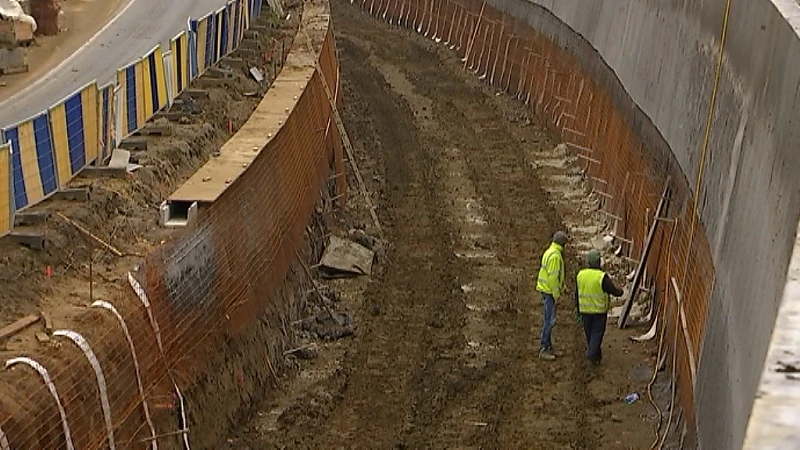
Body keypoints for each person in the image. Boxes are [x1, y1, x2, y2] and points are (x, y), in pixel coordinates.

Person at [575, 249, 624, 365]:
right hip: (598, 311)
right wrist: (621, 292)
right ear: (598, 262)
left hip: (585, 310)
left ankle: (596, 355)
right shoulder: (602, 277)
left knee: (589, 333)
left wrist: (577, 308)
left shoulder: (580, 275)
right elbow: (612, 290)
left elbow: (576, 294)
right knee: (597, 333)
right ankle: (591, 356)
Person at [536, 231, 567, 360]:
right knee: (549, 320)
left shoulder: (550, 251)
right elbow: (553, 277)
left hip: (546, 289)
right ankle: (544, 347)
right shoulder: (555, 256)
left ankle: (548, 346)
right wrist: (556, 294)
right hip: (549, 291)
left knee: (548, 319)